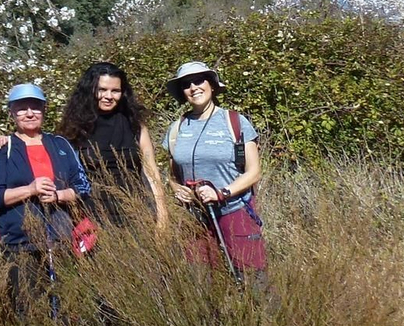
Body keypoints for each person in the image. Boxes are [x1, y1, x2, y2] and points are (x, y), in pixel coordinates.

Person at [0, 83, 93, 318]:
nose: (29, 113)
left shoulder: (61, 144)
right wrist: (30, 190)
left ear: (44, 110)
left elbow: (84, 187)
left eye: (35, 107)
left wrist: (58, 195)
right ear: (12, 113)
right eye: (22, 108)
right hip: (20, 242)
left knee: (67, 309)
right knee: (30, 311)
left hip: (61, 239)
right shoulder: (2, 148)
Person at [163, 61, 266, 277]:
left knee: (251, 279)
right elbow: (172, 175)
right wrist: (177, 189)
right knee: (200, 280)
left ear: (211, 84)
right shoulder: (176, 128)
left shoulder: (235, 121)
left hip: (235, 211)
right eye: (186, 84)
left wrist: (221, 193)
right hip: (195, 217)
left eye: (199, 80)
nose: (194, 87)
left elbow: (254, 172)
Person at [57, 62, 169, 230]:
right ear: (90, 90)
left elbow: (152, 173)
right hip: (94, 219)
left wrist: (162, 218)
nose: (108, 96)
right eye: (102, 89)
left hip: (138, 214)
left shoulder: (135, 124)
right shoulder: (74, 128)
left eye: (115, 91)